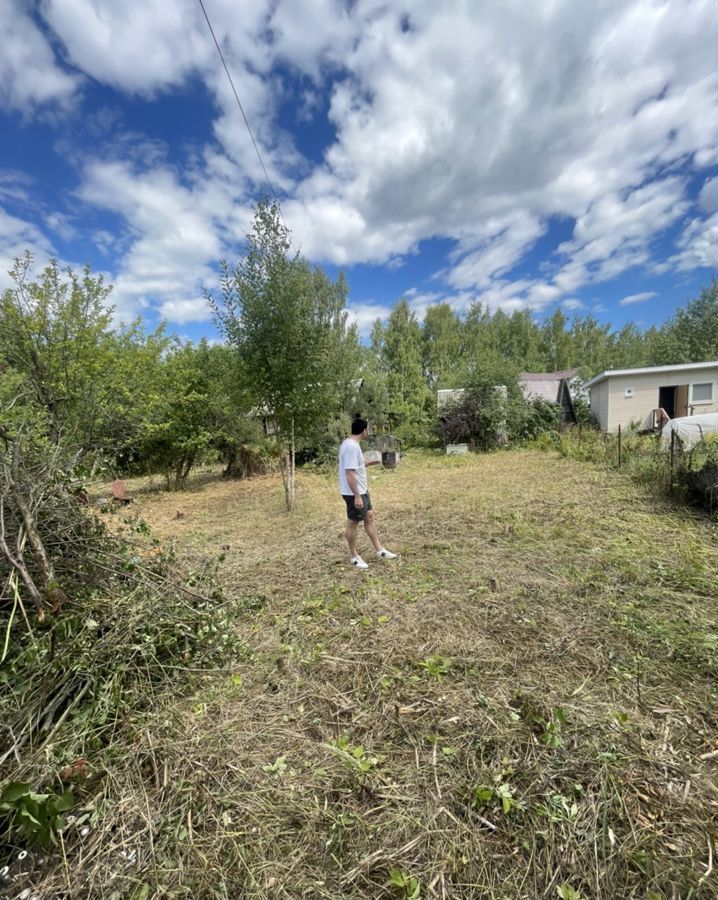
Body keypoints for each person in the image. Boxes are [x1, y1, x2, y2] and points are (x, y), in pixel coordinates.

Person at [338, 417, 397, 569]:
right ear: (363, 430)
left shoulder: (352, 444)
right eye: (368, 429)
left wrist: (368, 463)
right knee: (353, 522)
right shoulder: (351, 446)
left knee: (369, 517)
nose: (368, 432)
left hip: (361, 490)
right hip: (354, 493)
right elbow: (349, 473)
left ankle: (379, 550)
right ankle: (354, 556)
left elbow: (355, 465)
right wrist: (357, 496)